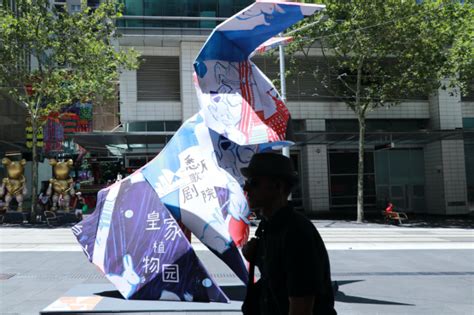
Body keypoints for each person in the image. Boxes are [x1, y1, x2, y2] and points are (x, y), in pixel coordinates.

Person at [241, 152, 336, 315]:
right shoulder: (268, 226)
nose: (246, 188)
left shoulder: (295, 233)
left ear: (278, 186)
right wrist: (257, 257)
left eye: (254, 183)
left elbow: (301, 306)